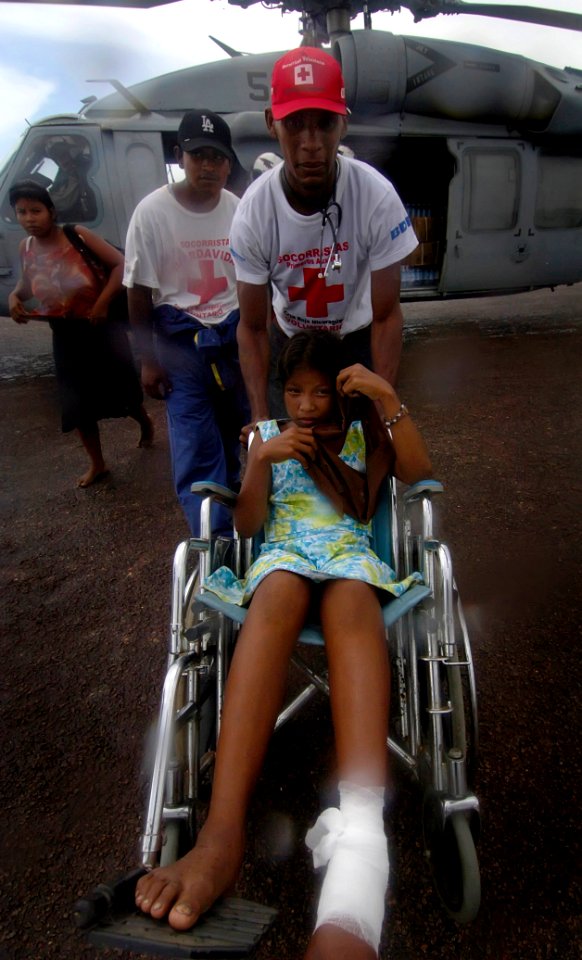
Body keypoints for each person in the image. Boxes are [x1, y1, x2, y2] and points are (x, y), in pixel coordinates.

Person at [134, 330, 433, 960]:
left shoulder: (358, 430)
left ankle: (359, 831)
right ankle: (221, 835)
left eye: (319, 392)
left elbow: (420, 474)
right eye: (294, 392)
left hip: (349, 555)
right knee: (272, 598)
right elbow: (245, 525)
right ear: (280, 392)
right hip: (284, 555)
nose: (305, 405)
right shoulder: (266, 434)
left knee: (353, 602)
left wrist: (383, 394)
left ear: (338, 392)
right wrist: (263, 458)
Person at [231, 46, 418, 427]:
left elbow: (386, 316)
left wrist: (385, 407)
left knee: (364, 450)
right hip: (292, 345)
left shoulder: (376, 197)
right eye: (295, 123)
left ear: (344, 125)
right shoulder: (253, 212)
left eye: (325, 123)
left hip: (357, 339)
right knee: (292, 459)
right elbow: (252, 328)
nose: (311, 142)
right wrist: (261, 419)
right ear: (272, 123)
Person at [124, 109, 249, 537]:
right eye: (199, 156)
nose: (209, 166)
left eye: (218, 157)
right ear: (180, 156)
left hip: (232, 338)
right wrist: (148, 360)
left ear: (229, 163)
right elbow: (137, 290)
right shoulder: (151, 213)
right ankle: (213, 546)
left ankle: (237, 522)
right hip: (180, 342)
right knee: (196, 444)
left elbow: (253, 281)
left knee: (238, 435)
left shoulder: (239, 210)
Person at [8, 178, 153, 488]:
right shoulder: (26, 248)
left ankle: (145, 423)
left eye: (36, 211)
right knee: (77, 405)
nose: (29, 219)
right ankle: (97, 464)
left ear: (51, 210)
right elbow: (26, 284)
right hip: (64, 334)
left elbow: (120, 265)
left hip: (99, 328)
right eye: (21, 212)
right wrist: (14, 299)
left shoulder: (76, 236)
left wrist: (102, 304)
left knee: (123, 392)